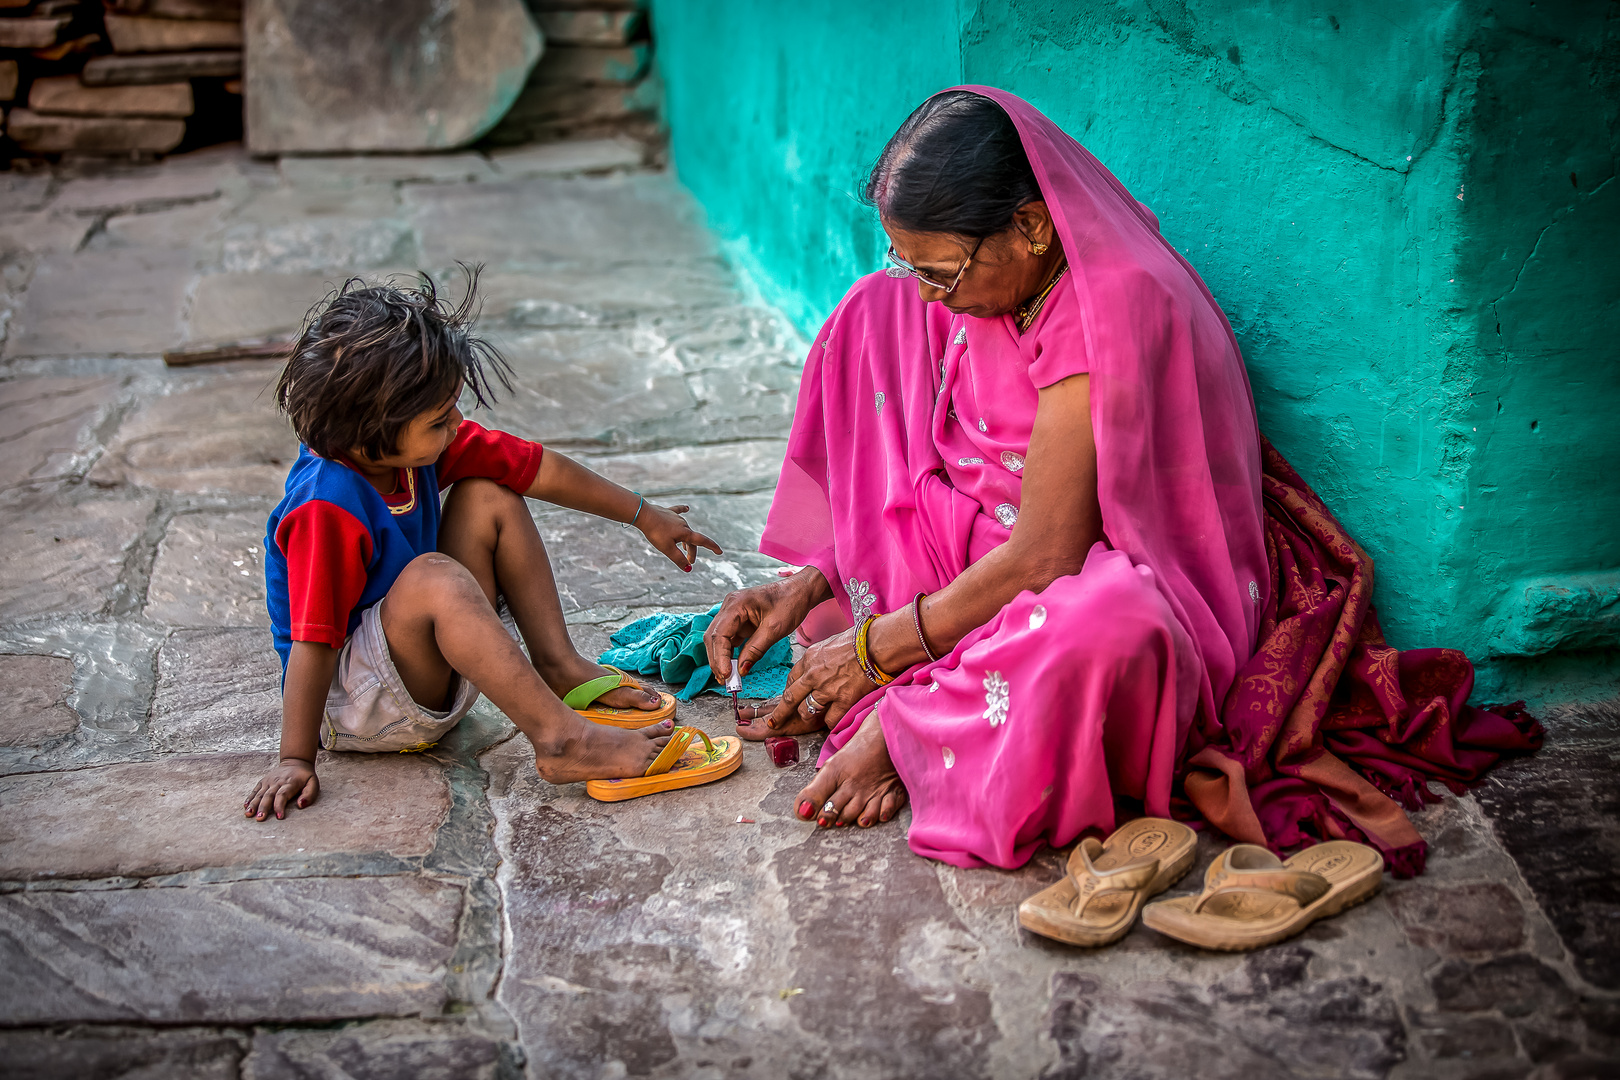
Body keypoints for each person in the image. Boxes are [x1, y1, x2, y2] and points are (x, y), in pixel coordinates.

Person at [704, 88, 1539, 873]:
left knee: (1107, 631)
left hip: (1103, 568)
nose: (932, 297)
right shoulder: (973, 296)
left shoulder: (1111, 309)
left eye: (943, 272)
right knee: (867, 318)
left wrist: (875, 653)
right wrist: (821, 572)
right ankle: (891, 614)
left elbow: (1047, 559)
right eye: (909, 263)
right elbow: (944, 439)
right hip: (988, 540)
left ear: (1030, 226)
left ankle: (916, 726)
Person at [245, 272, 722, 821]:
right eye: (438, 419)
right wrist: (294, 757)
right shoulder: (324, 506)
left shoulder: (403, 448)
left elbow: (536, 468)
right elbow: (313, 642)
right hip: (354, 704)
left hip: (415, 668)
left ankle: (557, 664)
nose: (457, 424)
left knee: (491, 492)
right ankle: (560, 739)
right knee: (434, 576)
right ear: (369, 433)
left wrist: (643, 514)